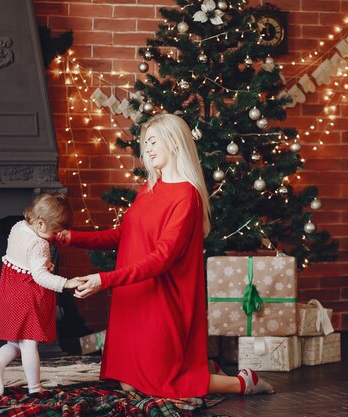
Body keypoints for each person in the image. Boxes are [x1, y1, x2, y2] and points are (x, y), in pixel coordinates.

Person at [57, 113, 274, 398]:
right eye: (144, 143)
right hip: (132, 296)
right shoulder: (149, 189)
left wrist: (104, 280)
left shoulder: (186, 195)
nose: (146, 149)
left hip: (162, 298)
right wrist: (71, 237)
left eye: (152, 141)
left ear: (173, 143)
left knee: (163, 384)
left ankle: (243, 383)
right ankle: (210, 370)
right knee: (129, 383)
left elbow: (162, 258)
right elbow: (123, 235)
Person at [0, 192, 81, 396]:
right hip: (27, 295)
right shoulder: (40, 243)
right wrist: (67, 283)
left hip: (10, 290)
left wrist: (44, 263)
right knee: (29, 343)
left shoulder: (18, 227)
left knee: (14, 342)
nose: (57, 237)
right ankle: (35, 387)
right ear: (40, 224)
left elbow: (24, 259)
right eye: (55, 232)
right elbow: (40, 276)